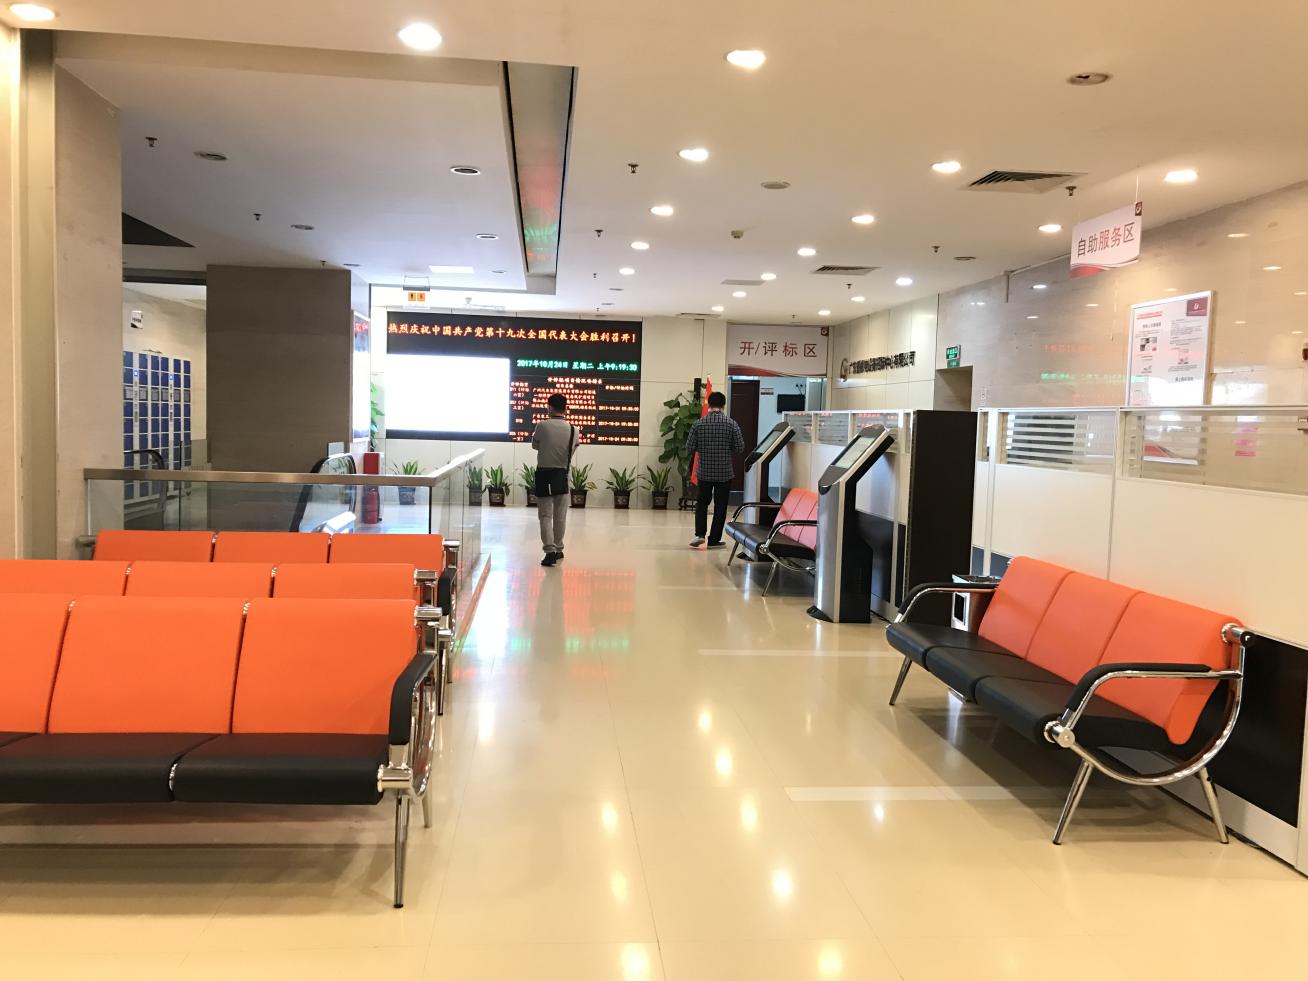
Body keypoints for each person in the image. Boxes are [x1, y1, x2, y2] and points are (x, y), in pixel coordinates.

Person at [685, 390, 744, 549]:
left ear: (708, 404)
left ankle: (699, 534)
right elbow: (740, 447)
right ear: (723, 405)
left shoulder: (698, 424)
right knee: (720, 506)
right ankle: (714, 540)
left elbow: (689, 447)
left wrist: (702, 447)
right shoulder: (731, 424)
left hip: (704, 472)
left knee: (702, 503)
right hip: (724, 473)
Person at [531, 392, 579, 567]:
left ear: (549, 407)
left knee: (545, 515)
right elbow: (572, 450)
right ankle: (558, 548)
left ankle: (549, 551)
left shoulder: (542, 426)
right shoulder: (574, 430)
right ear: (565, 408)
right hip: (562, 475)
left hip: (544, 474)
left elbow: (535, 445)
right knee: (560, 515)